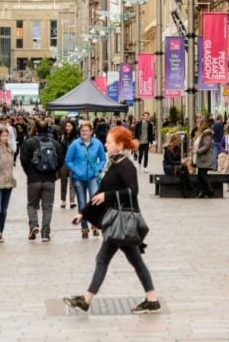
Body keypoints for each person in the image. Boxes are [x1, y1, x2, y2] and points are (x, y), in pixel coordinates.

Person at [64, 126, 161, 315]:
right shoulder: (114, 164)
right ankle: (152, 299)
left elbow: (132, 192)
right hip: (119, 224)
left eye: (108, 142)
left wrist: (107, 196)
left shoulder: (126, 166)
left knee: (103, 259)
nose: (105, 145)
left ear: (119, 145)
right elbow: (100, 192)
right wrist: (83, 213)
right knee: (135, 261)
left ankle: (86, 299)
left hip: (120, 222)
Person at [20, 120, 61, 242]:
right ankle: (45, 233)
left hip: (34, 179)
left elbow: (23, 159)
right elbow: (60, 159)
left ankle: (33, 225)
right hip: (49, 179)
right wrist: (53, 170)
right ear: (48, 128)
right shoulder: (55, 143)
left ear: (36, 129)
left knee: (32, 204)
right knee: (47, 207)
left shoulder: (29, 142)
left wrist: (29, 172)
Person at [65, 120, 106, 239]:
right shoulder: (75, 144)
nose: (84, 133)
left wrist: (98, 169)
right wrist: (76, 170)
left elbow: (103, 159)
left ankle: (94, 224)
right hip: (78, 178)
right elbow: (68, 160)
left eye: (86, 131)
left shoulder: (97, 143)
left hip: (93, 177)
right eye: (82, 131)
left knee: (94, 201)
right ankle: (84, 227)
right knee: (82, 202)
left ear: (91, 131)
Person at [163, 132, 193, 199]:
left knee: (184, 169)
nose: (179, 143)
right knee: (183, 172)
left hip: (176, 167)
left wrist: (182, 161)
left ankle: (186, 190)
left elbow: (178, 160)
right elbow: (169, 161)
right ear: (174, 141)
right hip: (169, 168)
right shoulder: (168, 149)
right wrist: (180, 162)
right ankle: (188, 188)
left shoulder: (177, 148)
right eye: (178, 141)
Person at [57, 119, 78, 208]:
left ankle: (72, 201)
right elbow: (59, 150)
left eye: (69, 126)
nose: (67, 128)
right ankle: (63, 200)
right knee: (63, 182)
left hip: (73, 163)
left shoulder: (77, 138)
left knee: (73, 182)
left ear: (73, 127)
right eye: (66, 126)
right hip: (64, 163)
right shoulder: (62, 137)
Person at [193, 119, 216, 198]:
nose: (198, 124)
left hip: (205, 158)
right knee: (200, 175)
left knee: (203, 175)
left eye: (199, 123)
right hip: (201, 158)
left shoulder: (207, 134)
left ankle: (210, 191)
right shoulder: (201, 134)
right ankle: (202, 192)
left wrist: (197, 151)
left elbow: (206, 146)